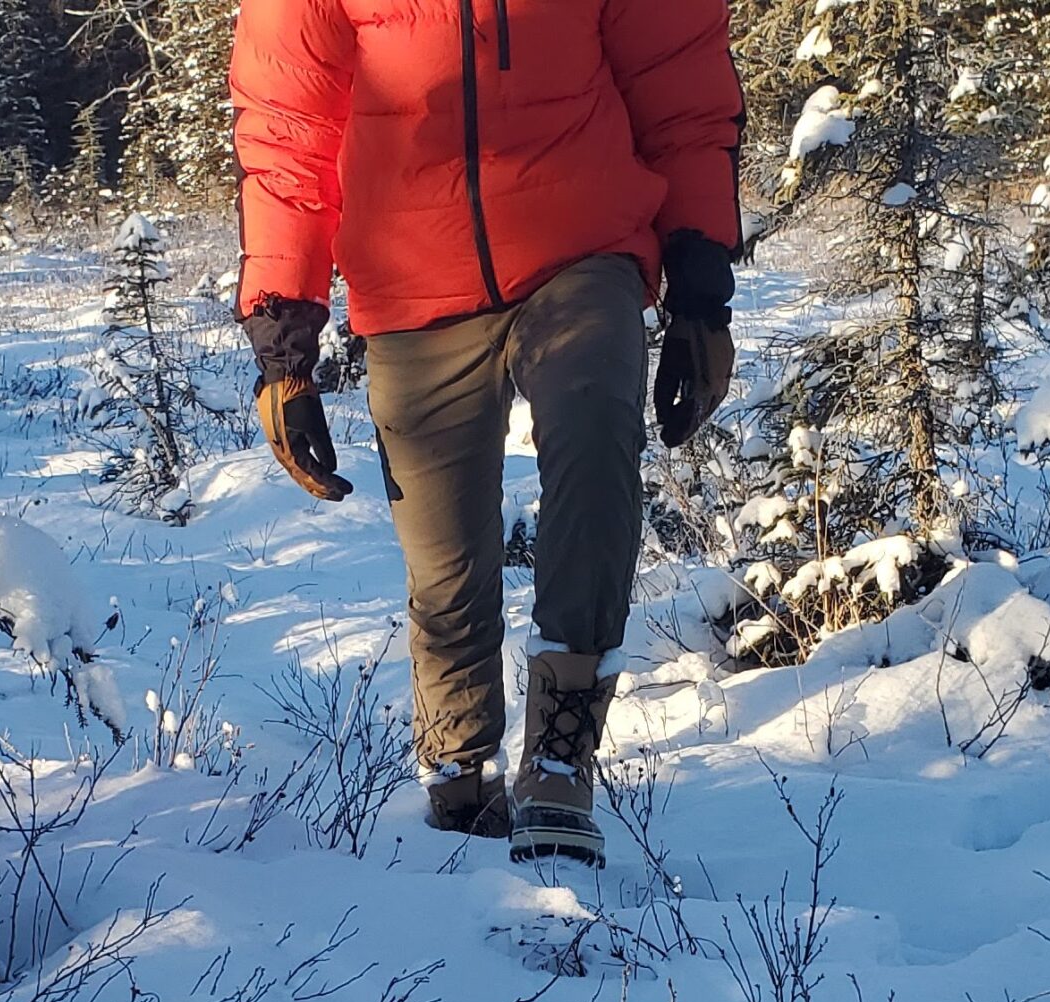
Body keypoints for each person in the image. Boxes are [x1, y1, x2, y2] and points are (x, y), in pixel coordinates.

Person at [229, 0, 744, 867]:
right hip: (410, 273)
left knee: (594, 447)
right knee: (445, 560)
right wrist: (284, 335)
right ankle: (459, 775)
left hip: (582, 246)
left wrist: (698, 283)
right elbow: (289, 120)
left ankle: (559, 758)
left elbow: (676, 75)